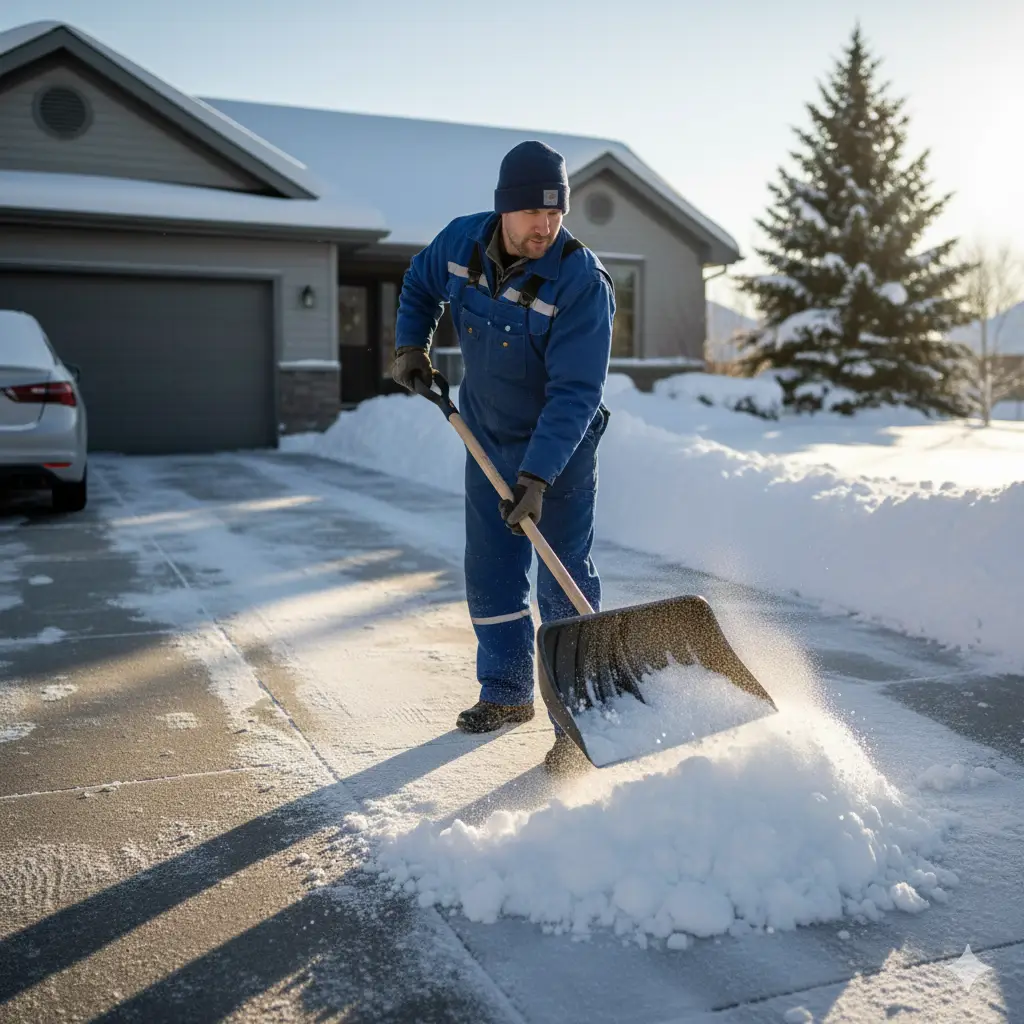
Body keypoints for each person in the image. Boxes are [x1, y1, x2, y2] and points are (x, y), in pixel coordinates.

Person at [391, 140, 614, 774]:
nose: (546, 226)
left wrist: (538, 477)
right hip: (487, 435)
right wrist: (412, 344)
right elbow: (419, 283)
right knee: (490, 566)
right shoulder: (461, 244)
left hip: (560, 449)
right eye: (534, 213)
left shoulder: (580, 282)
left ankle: (582, 717)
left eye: (558, 214)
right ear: (505, 210)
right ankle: (507, 693)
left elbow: (576, 394)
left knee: (561, 575)